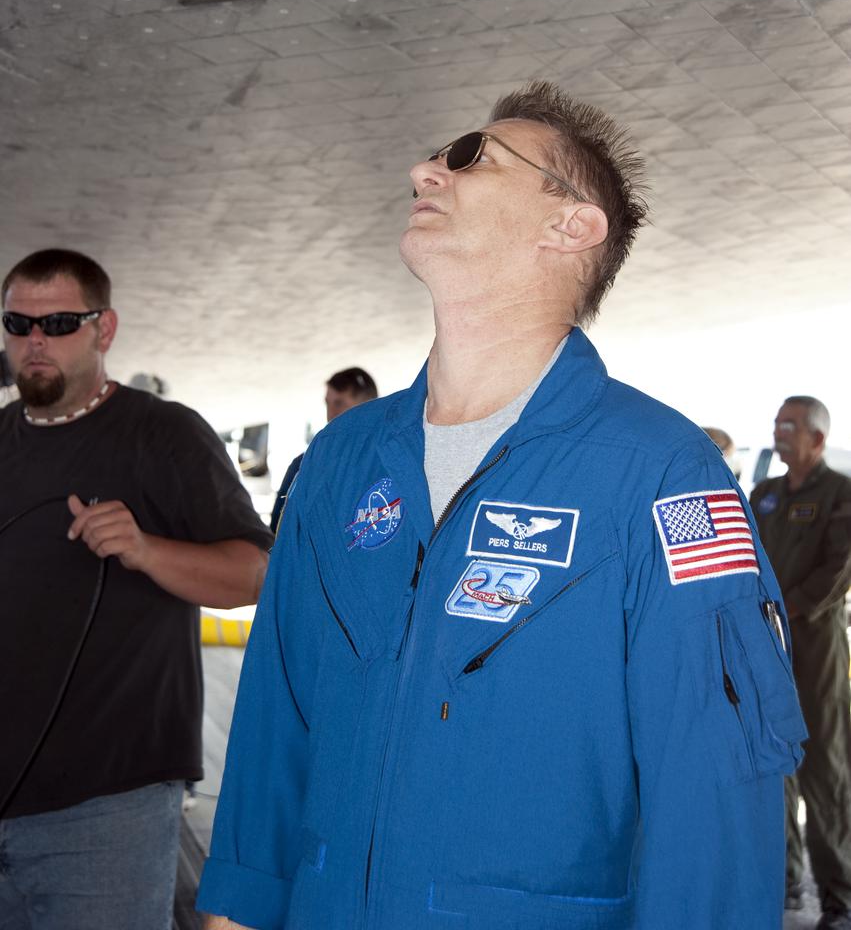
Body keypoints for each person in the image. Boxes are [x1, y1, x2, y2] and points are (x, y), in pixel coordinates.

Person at [198, 81, 805, 930]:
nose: (423, 170)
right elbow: (274, 713)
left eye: (469, 156)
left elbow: (711, 790)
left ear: (571, 225)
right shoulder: (341, 460)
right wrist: (235, 909)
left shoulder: (663, 472)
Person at [0, 248, 272, 930]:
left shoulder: (165, 434)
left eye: (59, 322)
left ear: (105, 330)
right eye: (17, 322)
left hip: (107, 808)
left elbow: (257, 574)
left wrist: (147, 550)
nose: (35, 340)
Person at [751, 397, 851, 929]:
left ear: (816, 437)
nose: (778, 433)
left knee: (825, 775)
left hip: (816, 652)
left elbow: (839, 570)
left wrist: (781, 609)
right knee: (774, 766)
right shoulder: (763, 494)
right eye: (776, 424)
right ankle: (783, 882)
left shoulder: (841, 494)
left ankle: (839, 899)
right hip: (766, 650)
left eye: (789, 426)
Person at [268, 367, 377, 534]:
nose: (331, 413)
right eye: (328, 403)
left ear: (367, 406)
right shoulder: (305, 465)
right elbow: (278, 530)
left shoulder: (390, 461)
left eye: (339, 403)